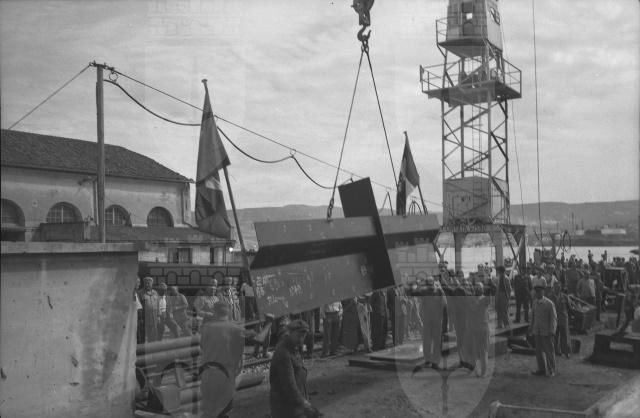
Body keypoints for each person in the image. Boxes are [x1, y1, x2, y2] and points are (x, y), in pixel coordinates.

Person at [200, 301, 245, 418]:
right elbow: (239, 353)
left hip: (208, 372)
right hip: (226, 372)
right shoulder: (236, 329)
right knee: (225, 408)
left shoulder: (207, 328)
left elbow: (202, 346)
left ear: (215, 313)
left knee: (209, 408)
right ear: (228, 312)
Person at [269, 319, 321, 418]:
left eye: (304, 335)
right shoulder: (284, 353)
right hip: (286, 409)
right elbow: (290, 387)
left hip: (294, 406)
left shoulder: (294, 349)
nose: (302, 338)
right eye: (299, 335)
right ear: (290, 333)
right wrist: (307, 406)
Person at [410, 277, 447, 369]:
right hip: (427, 320)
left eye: (431, 284)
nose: (430, 286)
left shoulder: (439, 291)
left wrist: (443, 320)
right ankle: (428, 360)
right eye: (428, 284)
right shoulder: (424, 291)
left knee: (437, 341)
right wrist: (415, 283)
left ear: (434, 283)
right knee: (427, 341)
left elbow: (444, 304)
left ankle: (435, 362)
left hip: (437, 320)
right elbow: (412, 292)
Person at [529, 277, 558, 377]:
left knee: (549, 351)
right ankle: (541, 369)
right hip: (537, 330)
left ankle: (551, 370)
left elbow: (553, 318)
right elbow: (532, 317)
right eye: (536, 291)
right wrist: (531, 328)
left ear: (543, 292)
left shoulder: (549, 304)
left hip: (547, 331)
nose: (538, 293)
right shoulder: (534, 303)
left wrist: (552, 330)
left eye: (540, 291)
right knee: (538, 352)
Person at [472, 282, 492, 377]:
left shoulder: (485, 299)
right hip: (475, 328)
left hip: (483, 328)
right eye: (476, 288)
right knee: (475, 351)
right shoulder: (473, 299)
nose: (477, 289)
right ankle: (476, 371)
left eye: (479, 288)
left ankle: (484, 372)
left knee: (483, 351)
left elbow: (490, 296)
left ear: (482, 289)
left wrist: (489, 282)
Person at [548, 281, 571, 358]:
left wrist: (568, 317)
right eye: (556, 287)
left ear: (561, 288)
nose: (557, 289)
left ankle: (566, 352)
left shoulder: (565, 297)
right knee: (555, 336)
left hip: (563, 319)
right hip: (554, 319)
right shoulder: (550, 297)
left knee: (565, 336)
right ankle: (556, 351)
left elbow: (569, 308)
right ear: (553, 288)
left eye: (558, 287)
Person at [138, 276, 160, 343]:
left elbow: (158, 304)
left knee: (154, 334)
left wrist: (158, 316)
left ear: (151, 284)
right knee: (145, 335)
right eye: (145, 283)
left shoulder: (155, 293)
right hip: (145, 317)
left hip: (154, 317)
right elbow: (139, 307)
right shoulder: (140, 293)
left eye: (148, 283)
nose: (147, 285)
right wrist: (140, 318)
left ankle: (153, 346)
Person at [134, 277, 144, 344]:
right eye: (138, 282)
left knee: (140, 333)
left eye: (139, 282)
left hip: (140, 316)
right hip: (135, 316)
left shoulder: (137, 293)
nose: (139, 284)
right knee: (137, 336)